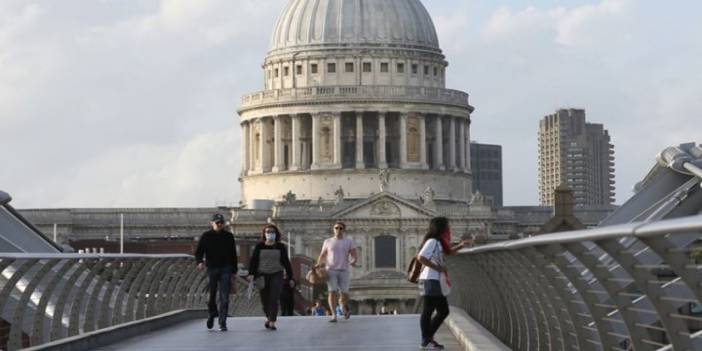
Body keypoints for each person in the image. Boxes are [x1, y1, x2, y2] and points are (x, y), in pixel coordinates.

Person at [416, 217, 466, 350]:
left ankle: (427, 338)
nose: (449, 229)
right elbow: (421, 257)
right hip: (430, 279)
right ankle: (426, 338)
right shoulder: (432, 241)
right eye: (447, 226)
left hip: (433, 280)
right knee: (437, 310)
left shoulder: (437, 242)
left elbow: (447, 253)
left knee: (437, 310)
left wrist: (461, 246)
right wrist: (438, 268)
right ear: (442, 228)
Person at [195, 213, 238, 331]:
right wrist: (199, 262)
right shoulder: (206, 236)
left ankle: (222, 322)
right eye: (217, 222)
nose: (219, 224)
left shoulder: (229, 236)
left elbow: (233, 254)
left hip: (226, 268)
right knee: (211, 295)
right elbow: (199, 252)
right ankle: (212, 313)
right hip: (212, 268)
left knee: (224, 296)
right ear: (211, 223)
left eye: (221, 223)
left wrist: (234, 271)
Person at [248, 224, 293, 331]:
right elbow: (254, 261)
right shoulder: (259, 246)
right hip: (261, 274)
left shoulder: (280, 246)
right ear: (264, 234)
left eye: (272, 232)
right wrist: (251, 274)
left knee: (274, 297)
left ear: (276, 234)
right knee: (264, 300)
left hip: (276, 274)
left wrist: (290, 277)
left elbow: (286, 262)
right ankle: (268, 317)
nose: (270, 234)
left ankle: (272, 321)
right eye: (268, 232)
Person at [315, 221, 357, 323]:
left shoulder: (349, 241)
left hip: (344, 270)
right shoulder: (328, 241)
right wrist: (319, 264)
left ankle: (342, 306)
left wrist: (353, 261)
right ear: (333, 229)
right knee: (332, 291)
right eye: (336, 228)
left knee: (345, 293)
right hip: (331, 270)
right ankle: (334, 315)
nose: (338, 230)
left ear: (343, 230)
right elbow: (322, 255)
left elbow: (354, 255)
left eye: (340, 228)